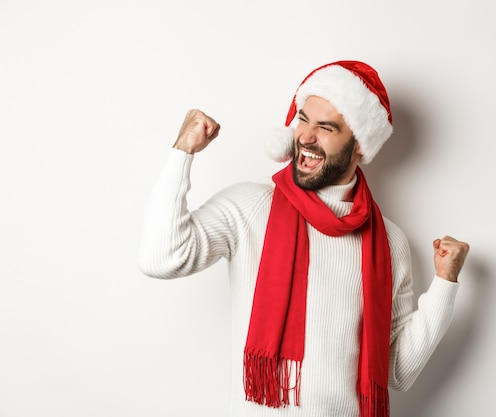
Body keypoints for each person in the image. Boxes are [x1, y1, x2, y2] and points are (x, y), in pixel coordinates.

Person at [138, 60, 470, 417]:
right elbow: (161, 258)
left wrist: (444, 284)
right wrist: (182, 152)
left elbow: (398, 372)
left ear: (360, 144)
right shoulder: (251, 206)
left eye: (326, 128)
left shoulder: (389, 242)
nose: (306, 137)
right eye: (303, 119)